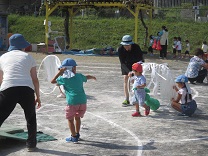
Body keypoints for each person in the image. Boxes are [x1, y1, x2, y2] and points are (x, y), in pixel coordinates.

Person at [0, 34, 41, 151]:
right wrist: (38, 96)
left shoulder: (2, 57)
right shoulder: (29, 57)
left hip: (8, 88)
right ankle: (31, 144)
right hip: (26, 89)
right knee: (31, 117)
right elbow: (35, 79)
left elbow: (1, 79)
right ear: (22, 46)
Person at [51, 58, 96, 143]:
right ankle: (77, 134)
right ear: (74, 68)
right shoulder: (79, 76)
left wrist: (59, 73)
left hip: (72, 102)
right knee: (77, 118)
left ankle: (73, 137)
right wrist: (92, 77)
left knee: (70, 120)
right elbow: (86, 77)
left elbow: (52, 81)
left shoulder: (63, 79)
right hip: (83, 101)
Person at [118, 35, 144, 107]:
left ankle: (136, 98)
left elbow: (141, 59)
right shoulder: (120, 49)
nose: (126, 47)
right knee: (126, 79)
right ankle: (126, 99)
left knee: (136, 80)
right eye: (125, 45)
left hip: (136, 64)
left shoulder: (136, 47)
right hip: (126, 65)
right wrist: (128, 71)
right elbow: (122, 62)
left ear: (131, 44)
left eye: (128, 45)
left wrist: (134, 70)